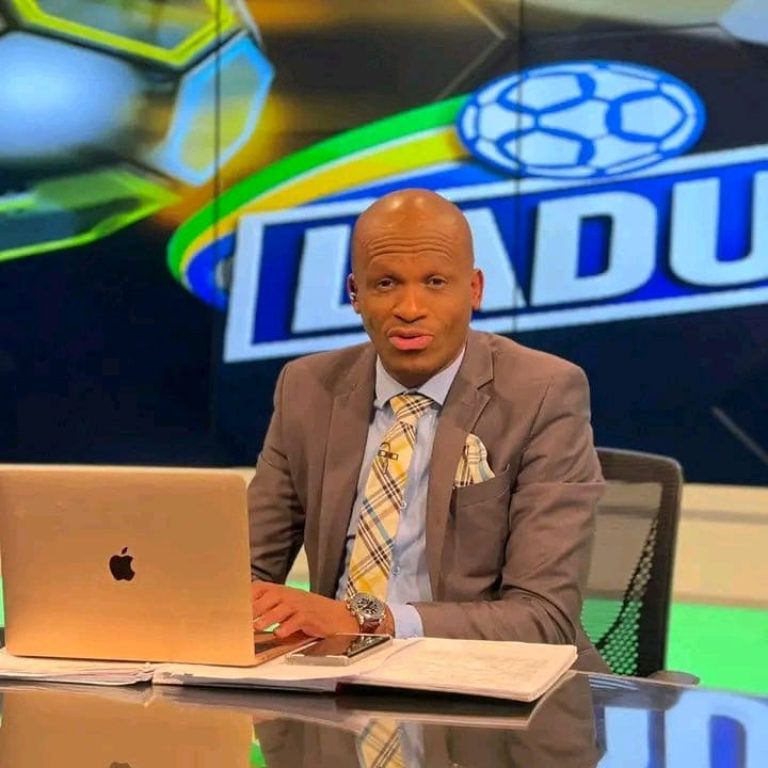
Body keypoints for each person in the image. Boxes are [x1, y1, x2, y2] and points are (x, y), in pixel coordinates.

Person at [249, 188, 607, 672]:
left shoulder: (544, 393)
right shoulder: (307, 388)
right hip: (334, 681)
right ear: (355, 294)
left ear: (474, 289)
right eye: (386, 283)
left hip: (488, 686)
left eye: (435, 282)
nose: (410, 307)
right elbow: (242, 574)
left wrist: (366, 620)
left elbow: (543, 618)